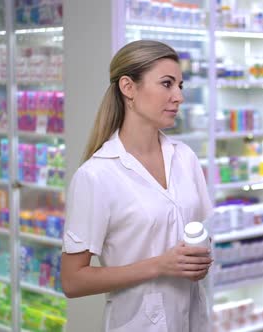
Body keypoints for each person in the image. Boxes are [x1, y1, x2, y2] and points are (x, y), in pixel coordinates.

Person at [61, 40, 214, 332]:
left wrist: (200, 256)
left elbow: (198, 233)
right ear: (128, 87)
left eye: (180, 85)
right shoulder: (97, 175)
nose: (179, 96)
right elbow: (73, 280)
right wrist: (160, 265)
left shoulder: (184, 157)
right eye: (167, 84)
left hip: (194, 320)